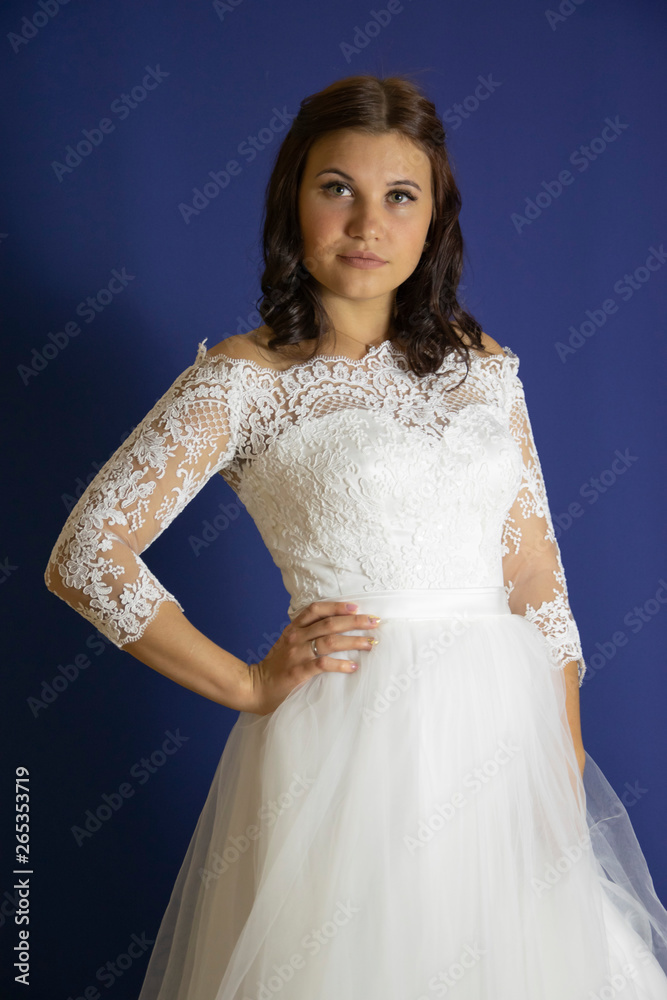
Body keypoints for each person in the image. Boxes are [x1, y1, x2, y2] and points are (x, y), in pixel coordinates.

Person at [44, 74, 667, 1000]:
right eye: (337, 188)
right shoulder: (243, 379)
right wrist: (249, 685)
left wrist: (559, 759)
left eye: (399, 196)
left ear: (433, 220)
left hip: (507, 743)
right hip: (351, 746)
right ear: (292, 197)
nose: (367, 223)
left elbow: (535, 570)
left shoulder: (482, 365)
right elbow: (86, 555)